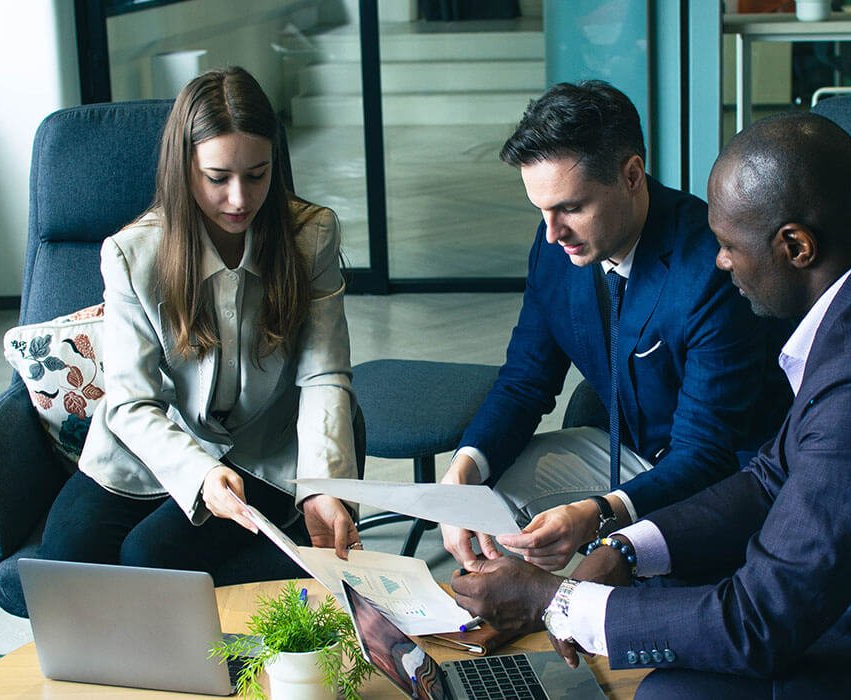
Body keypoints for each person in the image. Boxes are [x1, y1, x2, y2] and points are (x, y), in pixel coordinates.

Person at [450, 111, 851, 697]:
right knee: (673, 681)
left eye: (730, 247)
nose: (720, 263)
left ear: (795, 247)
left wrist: (556, 600)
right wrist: (625, 550)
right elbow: (771, 476)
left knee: (675, 693)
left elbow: (757, 624)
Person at [440, 80, 789, 570]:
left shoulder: (711, 269)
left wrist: (597, 514)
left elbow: (706, 453)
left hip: (728, 477)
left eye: (571, 208)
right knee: (487, 498)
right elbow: (524, 381)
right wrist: (463, 470)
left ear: (631, 175)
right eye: (541, 210)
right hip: (628, 449)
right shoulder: (555, 244)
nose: (552, 233)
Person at [40, 66, 361, 579]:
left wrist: (323, 486)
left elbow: (324, 375)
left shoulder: (311, 236)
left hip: (264, 447)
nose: (240, 199)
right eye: (217, 178)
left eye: (256, 175)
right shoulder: (131, 255)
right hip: (157, 441)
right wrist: (199, 472)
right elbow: (131, 401)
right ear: (184, 168)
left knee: (151, 557)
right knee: (64, 558)